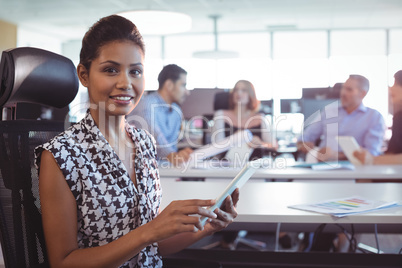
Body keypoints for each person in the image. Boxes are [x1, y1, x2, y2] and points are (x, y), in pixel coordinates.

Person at [35, 15, 239, 268]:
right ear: (84, 75)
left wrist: (207, 228)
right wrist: (150, 231)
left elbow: (153, 246)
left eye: (135, 71)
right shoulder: (60, 155)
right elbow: (63, 263)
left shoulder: (143, 142)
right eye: (111, 70)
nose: (126, 83)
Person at [297, 74, 385, 162]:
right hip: (323, 168)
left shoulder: (374, 117)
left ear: (362, 93)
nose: (343, 93)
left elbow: (372, 153)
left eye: (349, 89)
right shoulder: (329, 111)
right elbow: (304, 138)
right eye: (343, 88)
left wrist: (336, 155)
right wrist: (304, 145)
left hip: (355, 170)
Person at [127, 64, 193, 165]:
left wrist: (180, 156)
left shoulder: (176, 112)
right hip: (142, 170)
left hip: (165, 169)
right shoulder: (147, 105)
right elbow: (153, 136)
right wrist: (172, 155)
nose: (187, 92)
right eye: (183, 85)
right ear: (169, 85)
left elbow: (172, 147)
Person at [212, 80, 275, 158]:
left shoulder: (260, 118)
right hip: (228, 165)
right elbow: (216, 147)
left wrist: (261, 144)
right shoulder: (220, 115)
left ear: (251, 95)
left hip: (255, 165)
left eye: (244, 90)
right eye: (236, 90)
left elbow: (273, 145)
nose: (239, 93)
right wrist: (234, 140)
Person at [354, 70, 402, 165]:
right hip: (395, 173)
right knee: (363, 178)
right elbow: (392, 153)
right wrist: (368, 157)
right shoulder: (398, 117)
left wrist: (373, 160)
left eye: (396, 83)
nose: (390, 88)